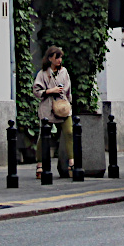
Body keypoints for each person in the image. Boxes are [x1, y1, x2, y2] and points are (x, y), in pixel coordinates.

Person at [32, 45, 74, 178]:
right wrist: (51, 90)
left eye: (61, 57)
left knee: (69, 132)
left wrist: (68, 102)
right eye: (57, 57)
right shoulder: (43, 74)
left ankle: (72, 163)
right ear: (50, 58)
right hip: (48, 108)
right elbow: (37, 91)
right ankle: (40, 165)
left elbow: (68, 90)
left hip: (63, 107)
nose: (59, 60)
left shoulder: (64, 72)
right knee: (44, 136)